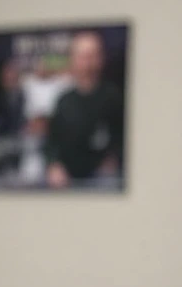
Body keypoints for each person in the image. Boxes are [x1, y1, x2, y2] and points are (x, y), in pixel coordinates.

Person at [45, 30, 125, 189]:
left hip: (103, 180)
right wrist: (54, 165)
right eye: (82, 56)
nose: (87, 63)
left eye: (92, 55)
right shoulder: (63, 100)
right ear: (73, 60)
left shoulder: (114, 98)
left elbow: (121, 140)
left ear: (101, 59)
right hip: (67, 180)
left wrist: (113, 160)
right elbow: (51, 142)